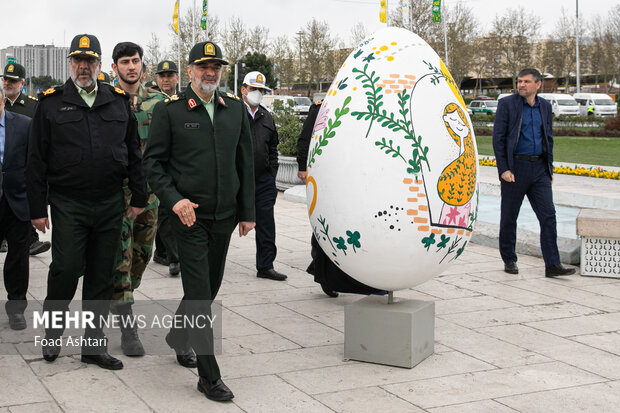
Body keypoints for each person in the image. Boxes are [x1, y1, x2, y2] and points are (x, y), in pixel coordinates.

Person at [27, 34, 148, 369]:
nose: (83, 66)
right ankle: (52, 335)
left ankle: (93, 347)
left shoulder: (117, 100)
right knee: (65, 269)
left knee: (101, 275)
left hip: (110, 202)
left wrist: (139, 195)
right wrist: (37, 209)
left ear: (98, 64)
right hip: (68, 202)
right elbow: (35, 159)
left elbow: (133, 153)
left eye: (89, 60)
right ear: (70, 64)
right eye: (77, 60)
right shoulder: (51, 103)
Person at [144, 41, 255, 402]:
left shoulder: (234, 109)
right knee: (199, 296)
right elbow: (154, 165)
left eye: (216, 67)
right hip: (188, 218)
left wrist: (248, 212)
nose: (210, 72)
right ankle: (209, 376)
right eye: (203, 66)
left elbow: (245, 164)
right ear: (189, 70)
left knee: (209, 288)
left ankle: (178, 336)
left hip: (224, 217)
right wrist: (174, 201)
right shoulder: (171, 111)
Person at [110, 41, 166, 356]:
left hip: (151, 196)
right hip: (117, 195)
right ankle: (127, 325)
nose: (131, 67)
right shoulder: (106, 102)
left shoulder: (159, 104)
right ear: (114, 67)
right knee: (122, 257)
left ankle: (118, 296)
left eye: (135, 61)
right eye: (125, 62)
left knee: (142, 256)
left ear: (142, 65)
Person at [492, 68, 575, 278]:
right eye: (519, 81)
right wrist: (504, 169)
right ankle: (509, 259)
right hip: (515, 169)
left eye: (526, 82)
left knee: (548, 216)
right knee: (509, 217)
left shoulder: (545, 106)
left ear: (538, 85)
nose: (521, 85)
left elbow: (548, 137)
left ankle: (552, 265)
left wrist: (549, 168)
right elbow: (498, 139)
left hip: (539, 170)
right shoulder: (507, 104)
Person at [297, 100, 385, 297]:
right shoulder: (323, 106)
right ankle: (326, 276)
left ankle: (366, 279)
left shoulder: (367, 104)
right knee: (329, 224)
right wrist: (302, 165)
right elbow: (306, 138)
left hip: (358, 177)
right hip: (329, 176)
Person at [240, 71, 287, 281]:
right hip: (238, 180)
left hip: (262, 180)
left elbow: (273, 148)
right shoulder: (233, 114)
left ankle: (265, 265)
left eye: (260, 90)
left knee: (266, 224)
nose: (256, 93)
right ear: (243, 89)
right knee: (222, 224)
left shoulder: (266, 116)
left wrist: (272, 174)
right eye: (253, 89)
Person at [1, 63, 50, 256]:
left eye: (12, 81)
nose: (7, 83)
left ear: (22, 83)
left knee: (22, 207)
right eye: (5, 79)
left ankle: (30, 241)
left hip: (22, 169)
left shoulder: (32, 106)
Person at [0, 86, 31, 330]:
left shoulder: (23, 124)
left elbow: (35, 164)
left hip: (16, 201)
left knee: (18, 256)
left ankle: (17, 307)